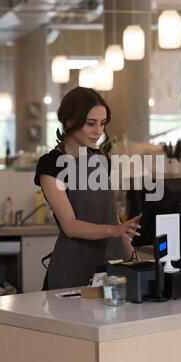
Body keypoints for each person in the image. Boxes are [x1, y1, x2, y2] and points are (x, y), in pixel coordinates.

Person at [34, 86, 142, 290]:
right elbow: (70, 225)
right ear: (69, 121)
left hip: (112, 268)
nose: (98, 131)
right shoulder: (51, 165)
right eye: (91, 123)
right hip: (72, 270)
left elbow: (112, 217)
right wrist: (115, 230)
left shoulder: (101, 161)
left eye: (102, 123)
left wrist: (133, 257)